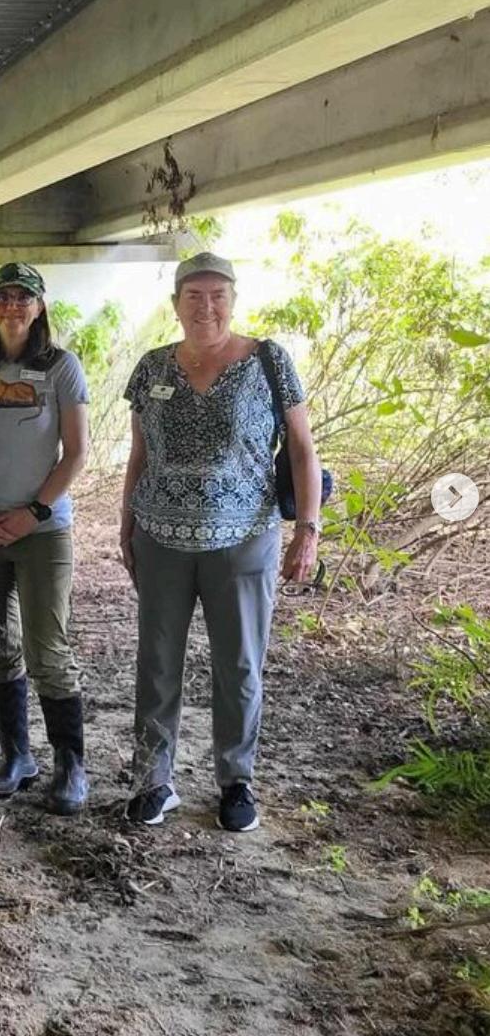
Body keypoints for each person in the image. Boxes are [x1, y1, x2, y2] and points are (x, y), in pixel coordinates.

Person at [120, 252, 320, 833]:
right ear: (176, 303)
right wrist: (127, 522)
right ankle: (153, 781)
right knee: (157, 663)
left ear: (233, 300)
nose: (205, 307)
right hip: (161, 539)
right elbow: (139, 454)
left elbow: (303, 449)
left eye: (218, 296)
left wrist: (307, 530)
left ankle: (236, 782)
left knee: (239, 664)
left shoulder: (268, 361)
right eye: (194, 296)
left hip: (244, 540)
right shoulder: (152, 367)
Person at [0, 263, 91, 815]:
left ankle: (70, 765)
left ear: (39, 307)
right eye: (3, 297)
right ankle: (16, 756)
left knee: (48, 648)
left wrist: (33, 513)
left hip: (43, 531)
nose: (13, 306)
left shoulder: (61, 368)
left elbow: (76, 453)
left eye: (24, 297)